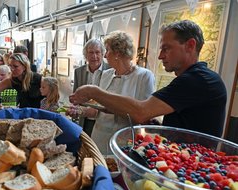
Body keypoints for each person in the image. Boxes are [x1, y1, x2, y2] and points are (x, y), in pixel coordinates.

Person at [70, 20, 227, 138]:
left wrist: (94, 91)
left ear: (190, 46)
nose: (160, 56)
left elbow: (141, 112)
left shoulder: (198, 80)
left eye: (166, 48)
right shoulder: (194, 78)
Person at [68, 31, 155, 154]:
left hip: (124, 141)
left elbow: (144, 117)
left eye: (107, 51)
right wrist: (80, 111)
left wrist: (97, 96)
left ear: (117, 54)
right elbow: (98, 111)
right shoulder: (106, 75)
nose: (104, 56)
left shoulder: (144, 76)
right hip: (98, 137)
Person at [72, 38, 110, 136]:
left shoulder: (111, 70)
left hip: (103, 120)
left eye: (97, 52)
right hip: (84, 120)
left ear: (102, 54)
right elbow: (75, 97)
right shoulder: (78, 72)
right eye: (91, 52)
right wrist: (74, 106)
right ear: (85, 55)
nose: (94, 56)